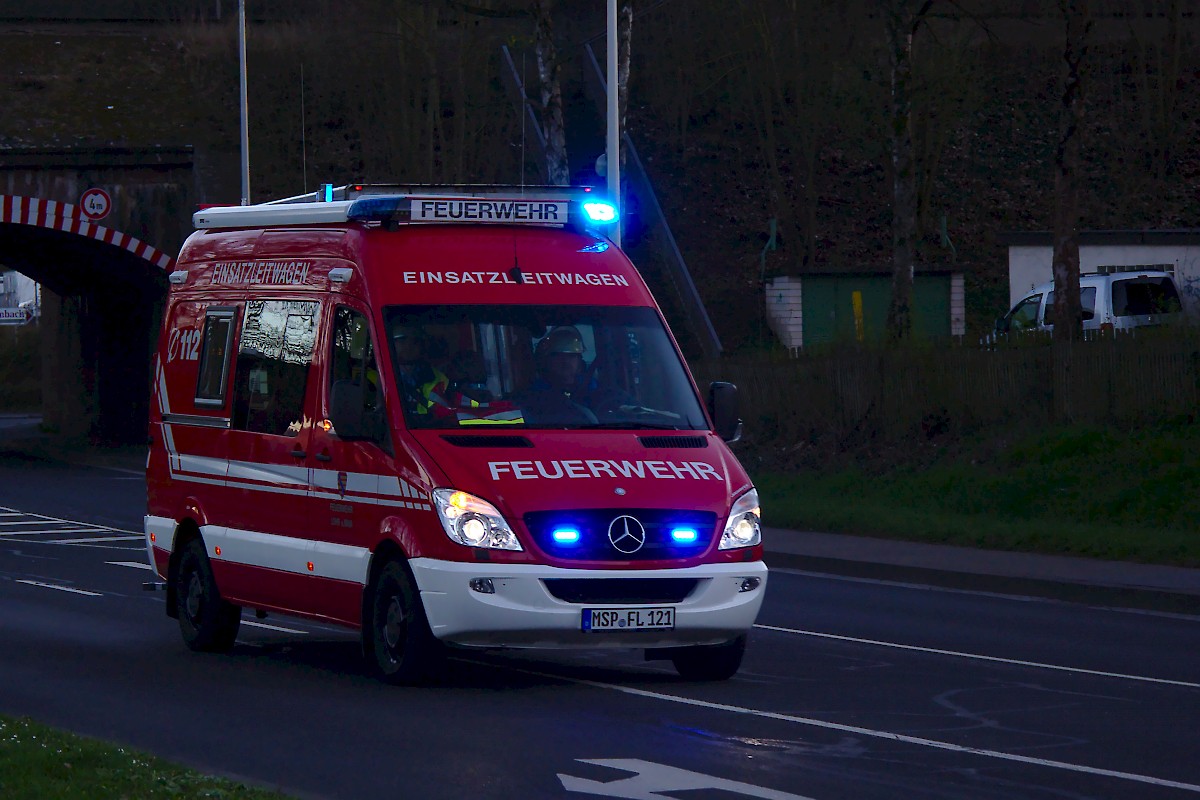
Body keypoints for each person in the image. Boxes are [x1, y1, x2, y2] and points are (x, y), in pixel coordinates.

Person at [390, 324, 451, 417]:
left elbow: (445, 415)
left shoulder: (438, 378)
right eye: (402, 341)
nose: (408, 347)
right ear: (391, 343)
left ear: (422, 346)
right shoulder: (376, 376)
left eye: (415, 342)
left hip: (426, 429)